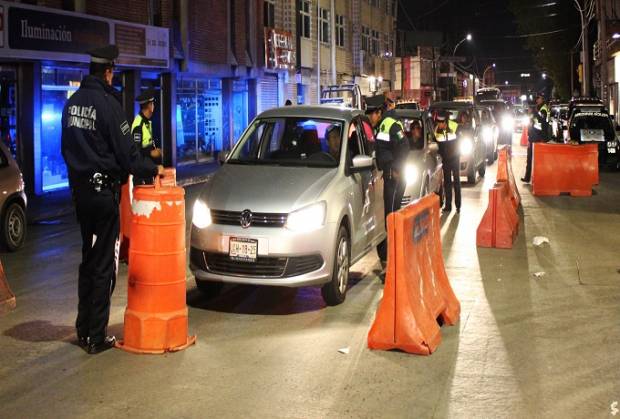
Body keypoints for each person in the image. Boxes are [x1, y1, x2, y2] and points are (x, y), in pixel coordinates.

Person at [61, 45, 164, 354]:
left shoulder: (72, 104)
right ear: (108, 72)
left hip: (80, 195)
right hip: (104, 196)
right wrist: (152, 168)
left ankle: (83, 328)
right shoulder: (109, 105)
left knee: (88, 260)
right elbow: (128, 155)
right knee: (105, 263)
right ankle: (95, 335)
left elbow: (64, 149)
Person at [366, 94, 409, 264]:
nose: (370, 119)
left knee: (391, 220)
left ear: (377, 112)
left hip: (394, 178)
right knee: (390, 219)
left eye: (370, 115)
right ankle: (391, 258)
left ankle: (393, 263)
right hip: (390, 176)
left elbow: (404, 145)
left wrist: (397, 168)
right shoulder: (382, 125)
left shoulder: (389, 124)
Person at [132, 89, 162, 185]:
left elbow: (146, 144)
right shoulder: (139, 124)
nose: (153, 106)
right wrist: (151, 153)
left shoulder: (146, 122)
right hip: (141, 175)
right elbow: (135, 152)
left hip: (147, 170)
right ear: (149, 106)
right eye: (152, 103)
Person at [435, 110, 461, 213]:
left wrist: (456, 153)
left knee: (456, 182)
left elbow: (460, 140)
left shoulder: (454, 126)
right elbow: (437, 143)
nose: (438, 125)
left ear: (445, 122)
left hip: (455, 158)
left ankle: (458, 205)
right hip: (446, 160)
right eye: (438, 123)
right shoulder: (437, 131)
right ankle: (448, 206)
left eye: (440, 123)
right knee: (447, 183)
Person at [521, 92, 550, 182]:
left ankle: (539, 179)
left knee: (538, 160)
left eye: (538, 98)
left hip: (539, 137)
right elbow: (533, 121)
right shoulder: (538, 108)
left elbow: (542, 120)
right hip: (533, 136)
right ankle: (527, 177)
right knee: (529, 158)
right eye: (536, 98)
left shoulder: (544, 109)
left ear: (542, 99)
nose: (537, 99)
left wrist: (534, 112)